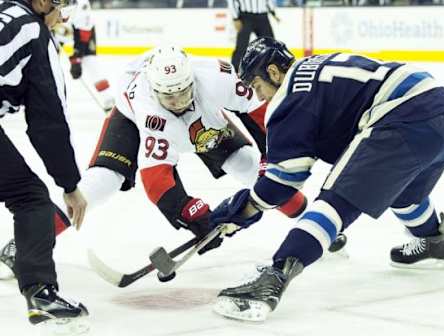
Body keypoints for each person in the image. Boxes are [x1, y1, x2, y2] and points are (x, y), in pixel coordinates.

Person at [209, 37, 444, 321]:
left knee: (335, 201)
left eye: (257, 86)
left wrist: (244, 209)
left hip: (404, 119)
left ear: (273, 72)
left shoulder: (289, 98)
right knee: (406, 193)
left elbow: (282, 182)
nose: (259, 97)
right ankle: (434, 240)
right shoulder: (314, 64)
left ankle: (274, 277)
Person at [1, 44, 310, 281]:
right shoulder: (150, 110)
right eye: (168, 96)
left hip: (203, 116)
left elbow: (263, 113)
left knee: (248, 165)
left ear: (192, 80)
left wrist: (274, 155)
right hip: (128, 118)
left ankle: (313, 222)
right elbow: (156, 178)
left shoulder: (218, 79)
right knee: (100, 184)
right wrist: (189, 213)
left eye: (181, 92)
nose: (176, 101)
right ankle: (24, 244)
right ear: (155, 89)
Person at [0, 0, 89, 329]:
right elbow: (47, 121)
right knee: (31, 198)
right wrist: (70, 185)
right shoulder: (33, 32)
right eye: (59, 9)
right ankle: (42, 295)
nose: (60, 19)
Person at [67, 0, 114, 112]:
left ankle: (108, 99)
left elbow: (84, 31)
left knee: (94, 69)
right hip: (72, 37)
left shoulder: (82, 3)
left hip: (85, 43)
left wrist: (77, 56)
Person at [228, 0, 279, 72]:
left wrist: (272, 12)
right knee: (242, 45)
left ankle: (273, 67)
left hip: (262, 16)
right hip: (246, 17)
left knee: (270, 43)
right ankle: (235, 70)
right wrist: (235, 18)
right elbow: (233, 1)